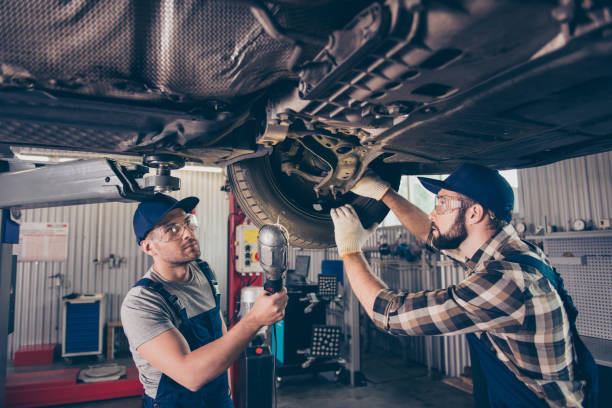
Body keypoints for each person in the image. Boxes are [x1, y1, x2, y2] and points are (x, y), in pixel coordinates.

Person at [330, 163, 597, 408]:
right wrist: (385, 193)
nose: (433, 212)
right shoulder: (512, 251)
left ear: (474, 213)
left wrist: (350, 250)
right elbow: (429, 233)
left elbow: (389, 315)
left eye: (442, 204)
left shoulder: (506, 281)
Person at [121, 193, 288, 408]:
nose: (188, 234)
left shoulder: (203, 271)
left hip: (218, 399)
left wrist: (225, 390)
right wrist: (254, 319)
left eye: (188, 222)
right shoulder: (142, 303)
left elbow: (218, 329)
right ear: (148, 247)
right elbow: (190, 375)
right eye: (172, 229)